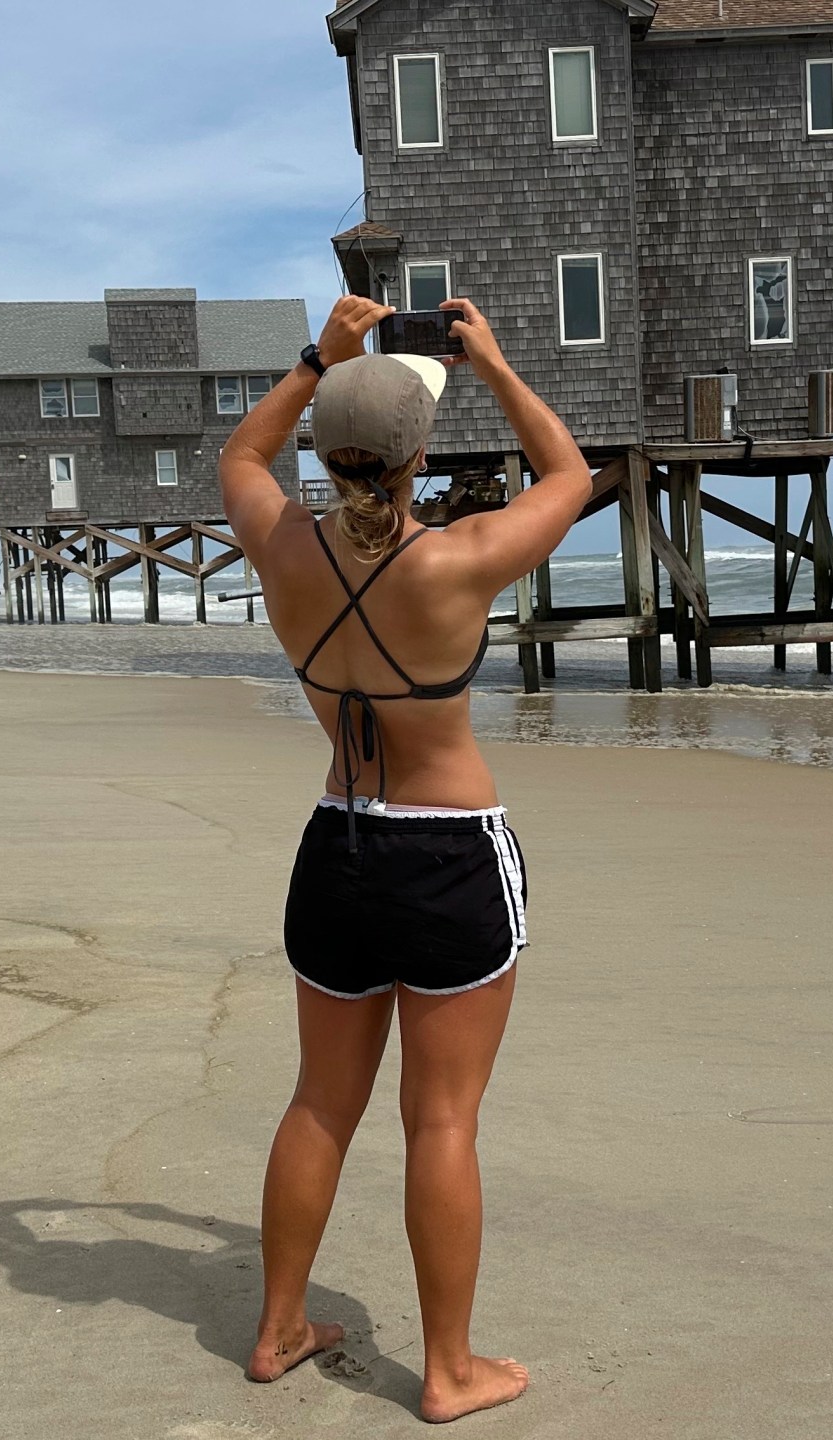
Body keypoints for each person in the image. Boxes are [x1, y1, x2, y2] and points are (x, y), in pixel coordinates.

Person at [217, 295, 592, 1423]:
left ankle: (280, 1327)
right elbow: (568, 476)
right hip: (445, 858)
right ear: (418, 459)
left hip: (334, 848)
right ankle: (445, 1370)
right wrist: (494, 364)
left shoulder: (282, 545)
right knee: (441, 1122)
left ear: (329, 459)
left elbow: (242, 450)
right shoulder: (461, 559)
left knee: (319, 1106)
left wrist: (316, 359)